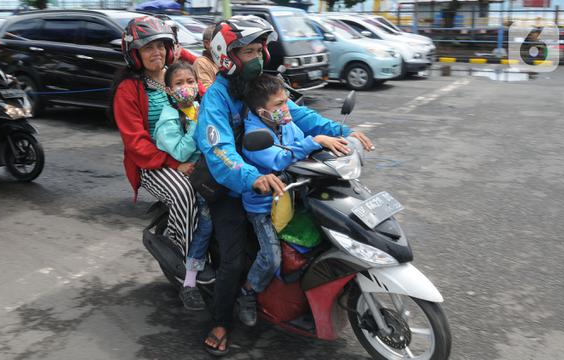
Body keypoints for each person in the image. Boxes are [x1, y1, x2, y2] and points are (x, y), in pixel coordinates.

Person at [195, 16, 374, 356]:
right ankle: (221, 321)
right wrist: (252, 176)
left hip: (274, 178)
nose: (257, 57)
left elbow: (299, 115)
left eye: (258, 49)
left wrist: (341, 132)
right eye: (247, 51)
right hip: (229, 187)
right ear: (226, 56)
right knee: (233, 259)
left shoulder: (260, 83)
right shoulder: (215, 99)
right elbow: (220, 152)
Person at [239, 74, 352, 323]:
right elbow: (279, 158)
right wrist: (315, 141)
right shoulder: (254, 136)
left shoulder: (286, 122)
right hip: (264, 207)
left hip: (293, 195)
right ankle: (247, 292)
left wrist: (332, 143)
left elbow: (301, 142)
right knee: (271, 257)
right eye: (278, 104)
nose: (285, 107)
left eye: (286, 100)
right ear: (262, 111)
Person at [112, 17, 199, 279]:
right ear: (134, 54)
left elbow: (206, 96)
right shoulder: (128, 90)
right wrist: (175, 164)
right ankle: (184, 262)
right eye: (148, 47)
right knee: (184, 193)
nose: (156, 52)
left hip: (193, 151)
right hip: (155, 163)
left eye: (161, 46)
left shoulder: (178, 77)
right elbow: (136, 144)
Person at [151, 61, 212, 311]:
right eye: (179, 83)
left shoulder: (200, 107)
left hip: (214, 168)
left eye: (190, 81)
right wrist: (198, 124)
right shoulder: (168, 118)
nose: (186, 87)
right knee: (207, 224)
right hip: (196, 176)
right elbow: (179, 150)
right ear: (169, 90)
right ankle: (189, 281)